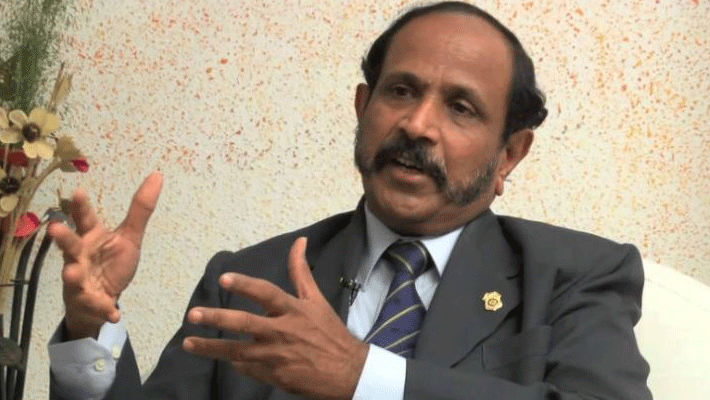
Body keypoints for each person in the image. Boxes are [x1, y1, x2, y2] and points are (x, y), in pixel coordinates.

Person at [48, 1, 652, 399]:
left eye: (460, 108)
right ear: (364, 109)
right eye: (401, 91)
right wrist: (90, 327)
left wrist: (363, 377)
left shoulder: (576, 276)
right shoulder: (249, 279)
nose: (417, 125)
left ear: (510, 154)